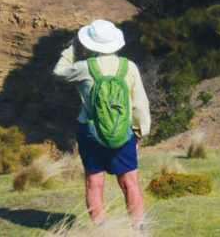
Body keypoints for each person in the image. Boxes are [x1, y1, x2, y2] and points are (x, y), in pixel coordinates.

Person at [54, 18, 151, 227]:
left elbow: (59, 72)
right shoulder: (129, 67)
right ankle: (139, 228)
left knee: (94, 183)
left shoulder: (84, 68)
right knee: (129, 182)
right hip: (123, 132)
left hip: (90, 132)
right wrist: (139, 132)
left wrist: (72, 49)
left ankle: (102, 230)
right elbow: (140, 104)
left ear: (89, 43)